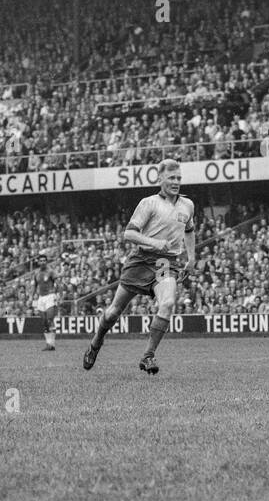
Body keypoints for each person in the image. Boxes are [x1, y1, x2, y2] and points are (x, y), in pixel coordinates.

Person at [84, 159, 195, 375]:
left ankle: (148, 356)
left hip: (165, 262)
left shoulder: (187, 205)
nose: (176, 182)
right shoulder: (149, 203)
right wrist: (154, 242)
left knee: (168, 302)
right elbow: (129, 233)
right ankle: (96, 342)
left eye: (178, 178)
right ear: (160, 178)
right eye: (171, 178)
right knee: (113, 312)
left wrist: (191, 258)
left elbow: (189, 230)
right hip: (141, 259)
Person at [32, 254, 60, 352]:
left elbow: (57, 282)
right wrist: (33, 296)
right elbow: (35, 286)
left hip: (50, 296)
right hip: (41, 297)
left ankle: (52, 344)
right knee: (44, 322)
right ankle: (48, 344)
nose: (43, 262)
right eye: (41, 260)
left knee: (49, 319)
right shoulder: (36, 273)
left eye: (44, 260)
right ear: (38, 262)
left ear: (46, 262)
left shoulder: (51, 271)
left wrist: (57, 293)